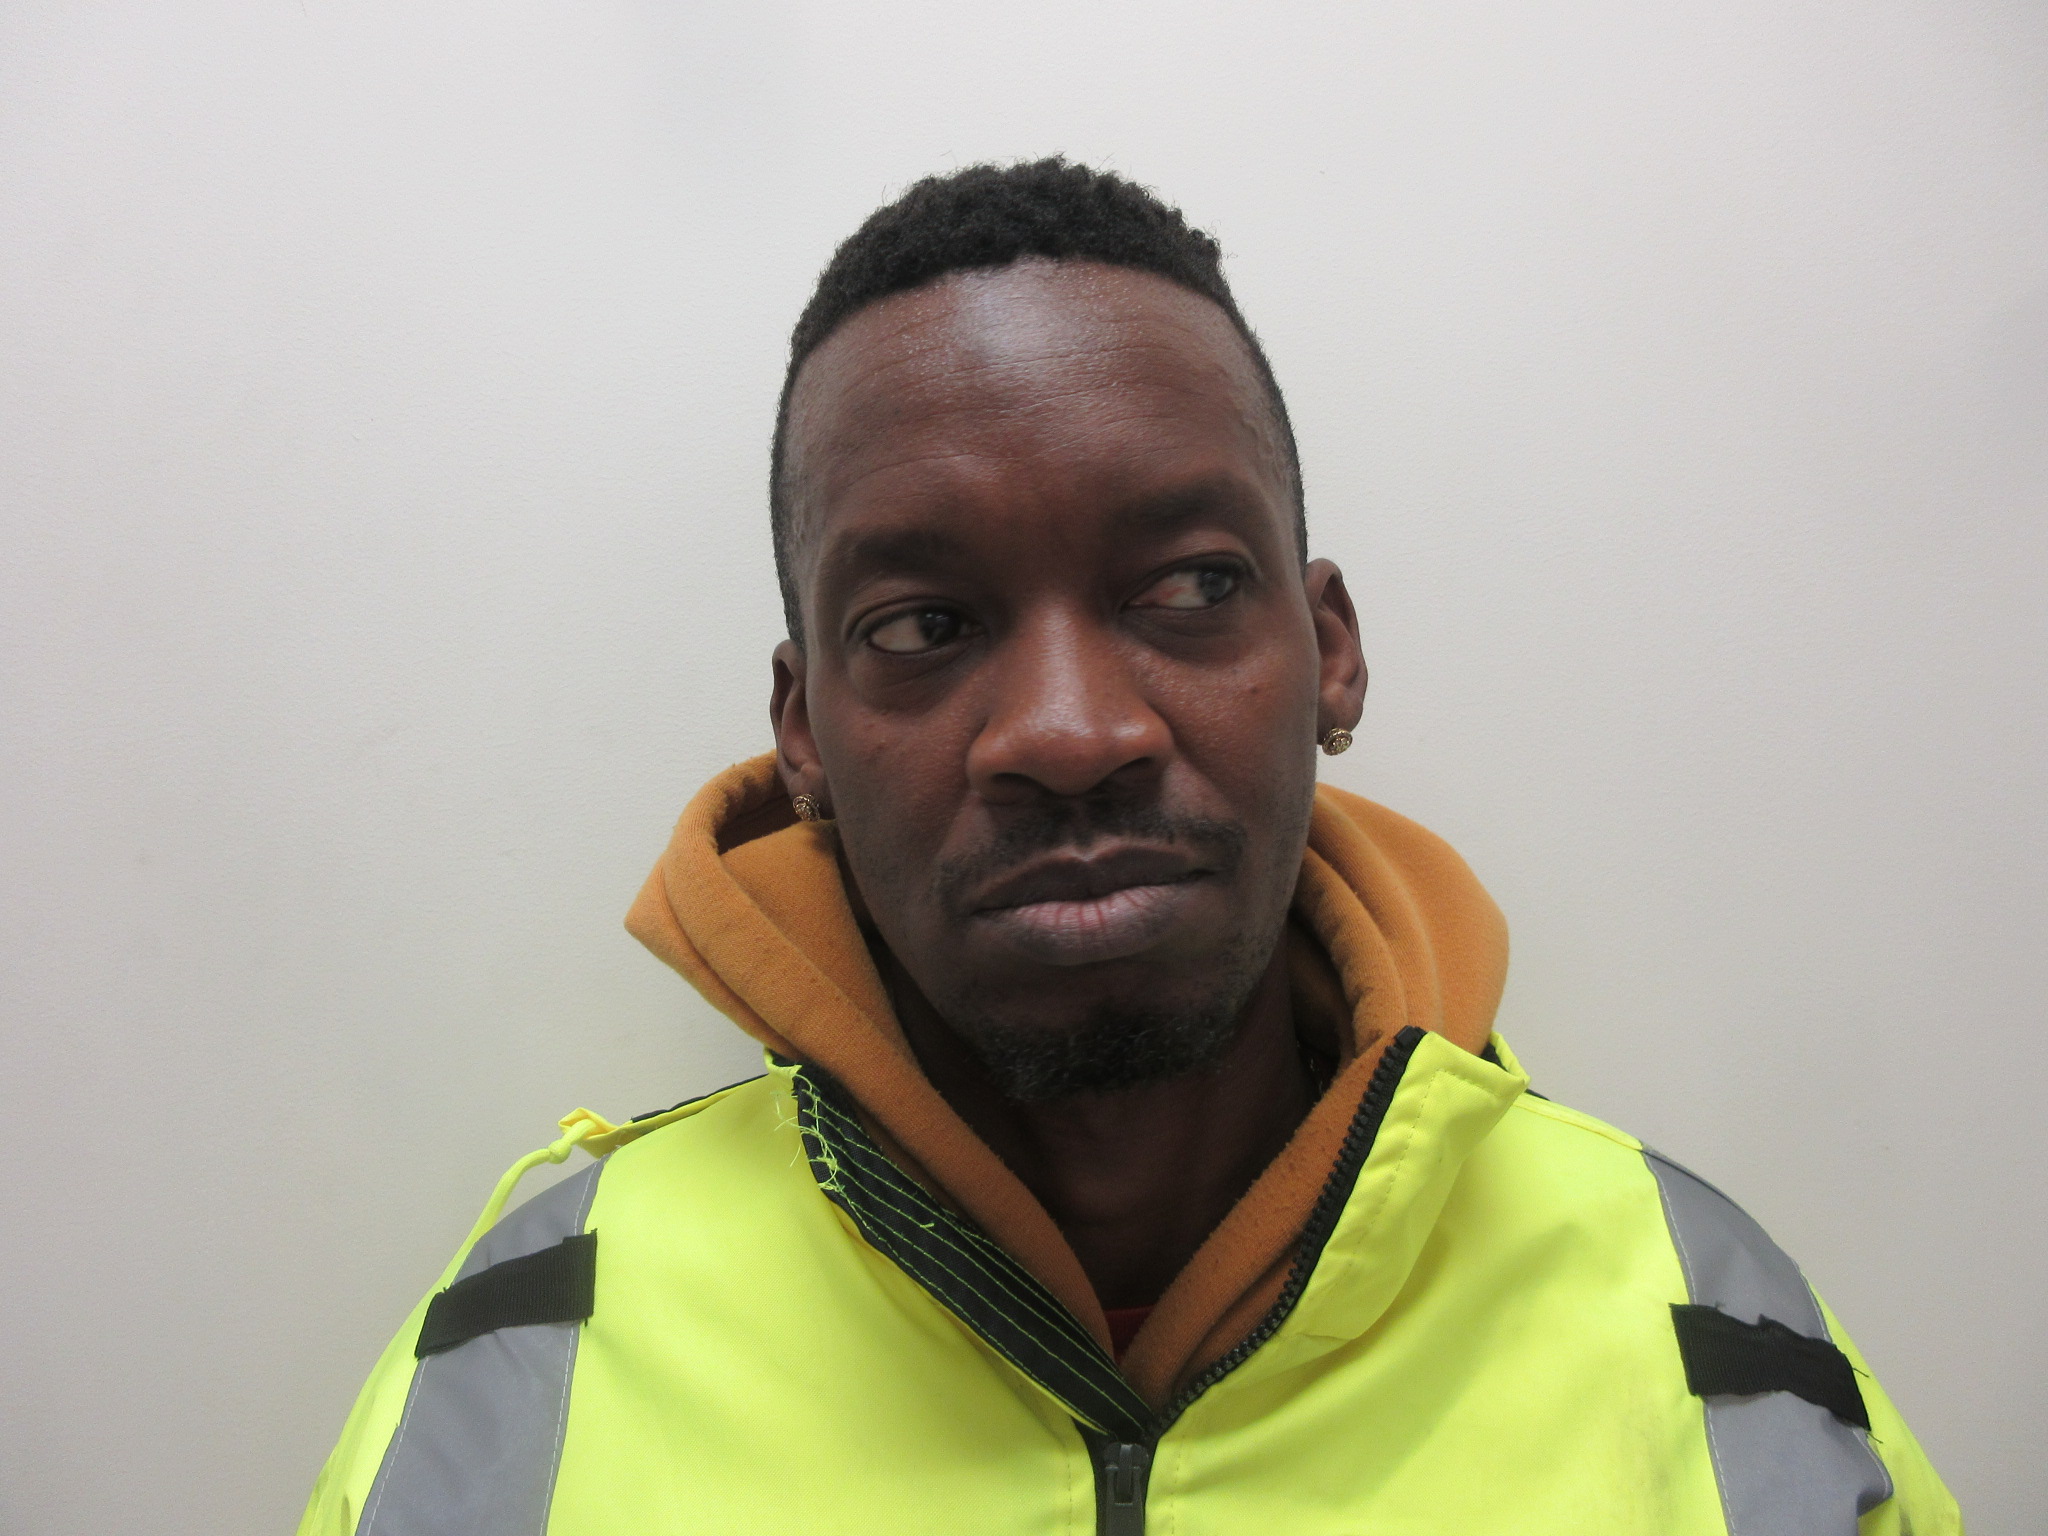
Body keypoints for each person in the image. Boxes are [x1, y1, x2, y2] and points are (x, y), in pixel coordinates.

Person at [299, 159, 1958, 1536]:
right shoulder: (529, 1355)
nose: (1070, 731)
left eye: (1187, 587)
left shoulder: (1707, 1332)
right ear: (803, 732)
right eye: (925, 622)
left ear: (1330, 652)